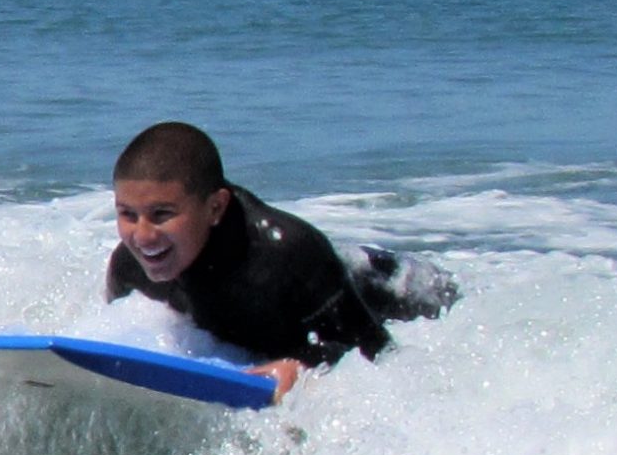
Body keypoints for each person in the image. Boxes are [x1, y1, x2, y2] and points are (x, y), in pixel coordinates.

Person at [107, 120, 456, 397]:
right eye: (127, 214)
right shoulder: (129, 268)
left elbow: (378, 353)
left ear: (215, 207)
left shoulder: (288, 257)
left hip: (394, 290)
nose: (143, 236)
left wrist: (300, 368)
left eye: (162, 214)